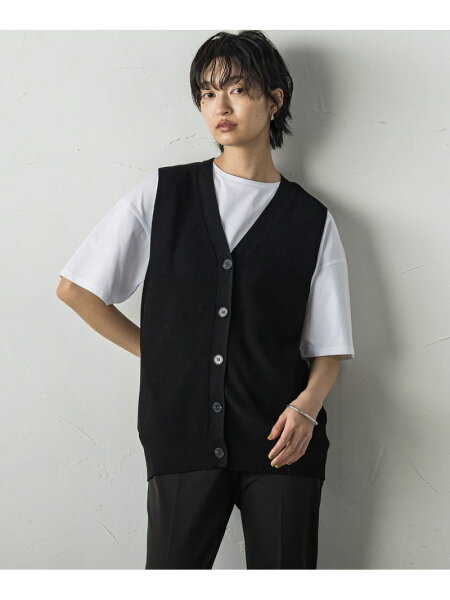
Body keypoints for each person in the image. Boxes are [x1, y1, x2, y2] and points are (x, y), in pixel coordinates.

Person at [57, 30, 355, 569]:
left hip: (281, 440)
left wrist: (307, 409)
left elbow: (329, 345)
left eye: (237, 89)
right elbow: (76, 289)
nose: (220, 106)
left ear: (274, 99)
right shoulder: (163, 194)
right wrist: (163, 355)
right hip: (181, 433)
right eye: (207, 93)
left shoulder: (312, 220)